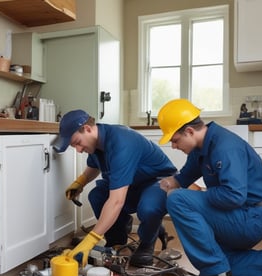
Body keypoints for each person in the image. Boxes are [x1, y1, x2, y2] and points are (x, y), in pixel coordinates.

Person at [157, 98, 262, 276]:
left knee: (178, 199)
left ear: (189, 131)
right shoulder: (201, 147)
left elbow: (233, 196)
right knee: (222, 259)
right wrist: (165, 184)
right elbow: (183, 177)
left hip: (252, 218)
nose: (174, 146)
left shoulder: (225, 146)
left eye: (175, 140)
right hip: (239, 213)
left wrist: (194, 194)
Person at [53, 109, 177, 267]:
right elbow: (94, 166)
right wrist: (80, 183)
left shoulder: (121, 142)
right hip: (133, 183)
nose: (78, 150)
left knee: (149, 207)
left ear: (88, 129)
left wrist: (89, 241)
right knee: (97, 195)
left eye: (77, 143)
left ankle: (147, 243)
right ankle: (117, 240)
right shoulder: (96, 142)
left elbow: (117, 201)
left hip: (158, 182)